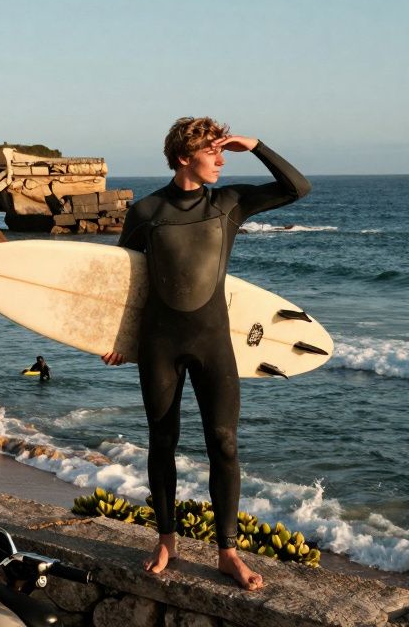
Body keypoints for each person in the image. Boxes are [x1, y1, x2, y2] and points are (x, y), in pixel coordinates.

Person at [103, 117, 310, 591]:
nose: (221, 159)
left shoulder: (228, 203)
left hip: (213, 343)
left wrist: (254, 144)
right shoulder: (147, 212)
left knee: (225, 444)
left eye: (224, 152)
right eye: (213, 152)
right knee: (162, 442)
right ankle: (167, 540)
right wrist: (114, 340)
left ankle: (227, 552)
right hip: (158, 345)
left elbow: (297, 188)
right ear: (183, 157)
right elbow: (123, 284)